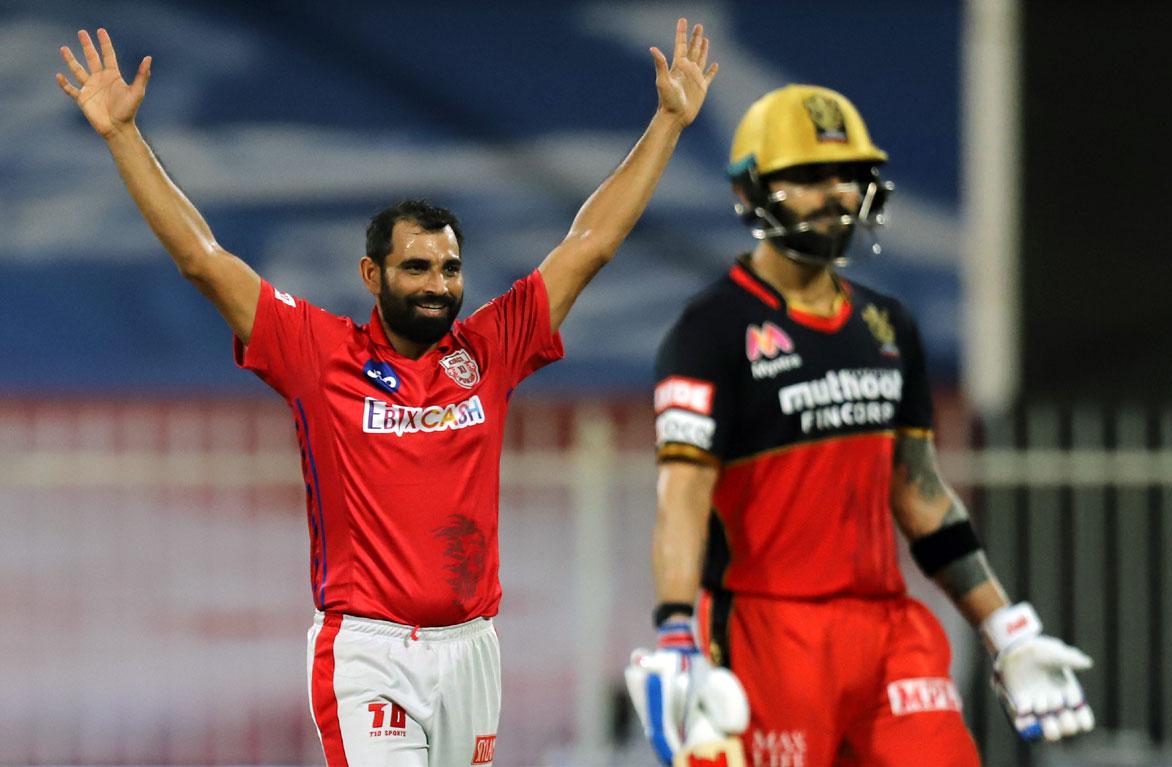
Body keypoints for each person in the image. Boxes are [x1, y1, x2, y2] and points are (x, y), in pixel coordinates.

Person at [56, 21, 717, 767]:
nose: (438, 286)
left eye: (449, 268)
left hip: (473, 650)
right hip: (368, 651)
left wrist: (666, 123)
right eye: (417, 268)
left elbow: (589, 242)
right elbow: (202, 260)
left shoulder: (489, 348)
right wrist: (122, 138)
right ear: (373, 276)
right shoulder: (317, 351)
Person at [629, 84, 1094, 767]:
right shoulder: (712, 330)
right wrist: (676, 632)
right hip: (765, 633)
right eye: (808, 177)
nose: (835, 193)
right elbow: (682, 499)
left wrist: (1004, 627)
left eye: (848, 175)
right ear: (752, 191)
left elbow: (921, 493)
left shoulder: (888, 325)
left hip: (886, 630)